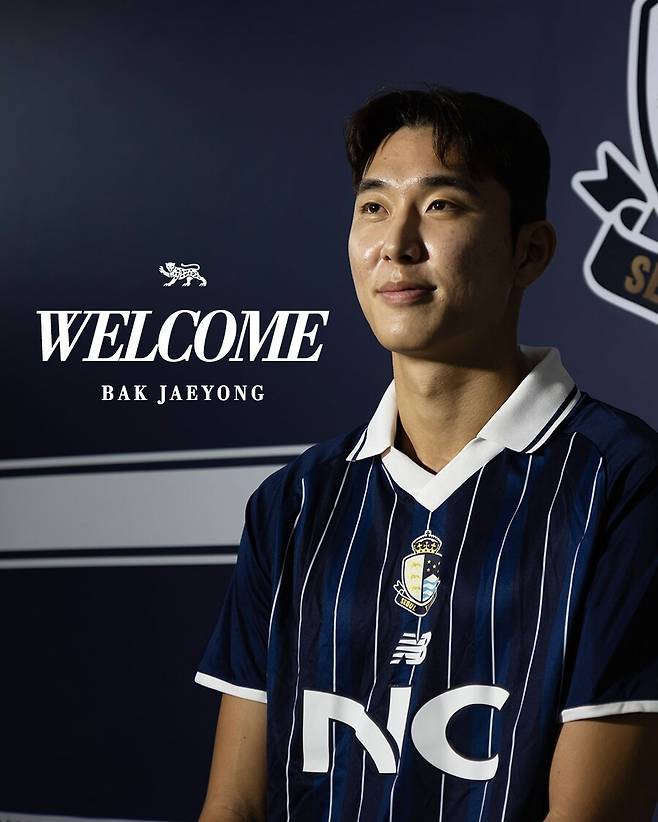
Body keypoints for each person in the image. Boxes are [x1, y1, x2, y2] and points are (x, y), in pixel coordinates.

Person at [194, 86, 658, 821]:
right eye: (374, 207)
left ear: (530, 251)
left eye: (441, 205)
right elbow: (236, 804)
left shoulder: (624, 483)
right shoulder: (293, 502)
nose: (397, 244)